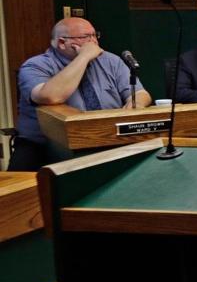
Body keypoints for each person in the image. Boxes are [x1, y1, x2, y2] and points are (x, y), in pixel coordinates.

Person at [12, 18, 153, 170]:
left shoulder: (111, 61)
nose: (94, 42)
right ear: (62, 42)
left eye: (94, 35)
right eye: (86, 37)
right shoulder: (35, 66)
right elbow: (50, 96)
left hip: (106, 138)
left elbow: (140, 93)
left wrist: (136, 104)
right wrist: (83, 57)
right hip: (45, 146)